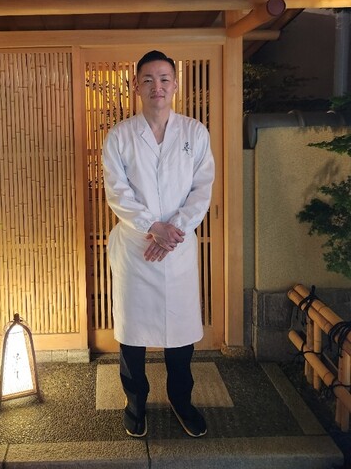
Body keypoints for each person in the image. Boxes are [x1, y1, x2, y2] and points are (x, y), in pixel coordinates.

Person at [102, 50, 215, 438]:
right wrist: (152, 228)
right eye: (148, 79)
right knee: (132, 334)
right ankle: (135, 403)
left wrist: (172, 232)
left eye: (164, 78)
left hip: (177, 249)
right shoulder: (120, 136)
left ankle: (182, 400)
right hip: (136, 248)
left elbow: (202, 190)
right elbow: (117, 192)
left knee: (179, 334)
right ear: (136, 86)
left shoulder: (195, 133)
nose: (157, 86)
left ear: (175, 84)